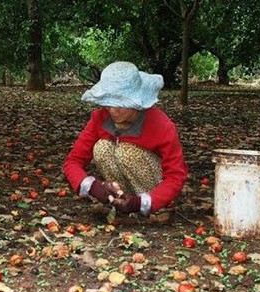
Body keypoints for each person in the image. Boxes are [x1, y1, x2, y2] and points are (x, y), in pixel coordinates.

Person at [63, 61, 188, 223]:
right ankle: (119, 201)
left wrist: (142, 202)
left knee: (126, 151)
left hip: (155, 191)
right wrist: (93, 187)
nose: (113, 110)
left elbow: (176, 176)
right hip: (122, 187)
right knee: (103, 147)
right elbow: (73, 161)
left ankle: (146, 208)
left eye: (121, 104)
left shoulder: (161, 125)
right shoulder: (99, 118)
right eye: (109, 103)